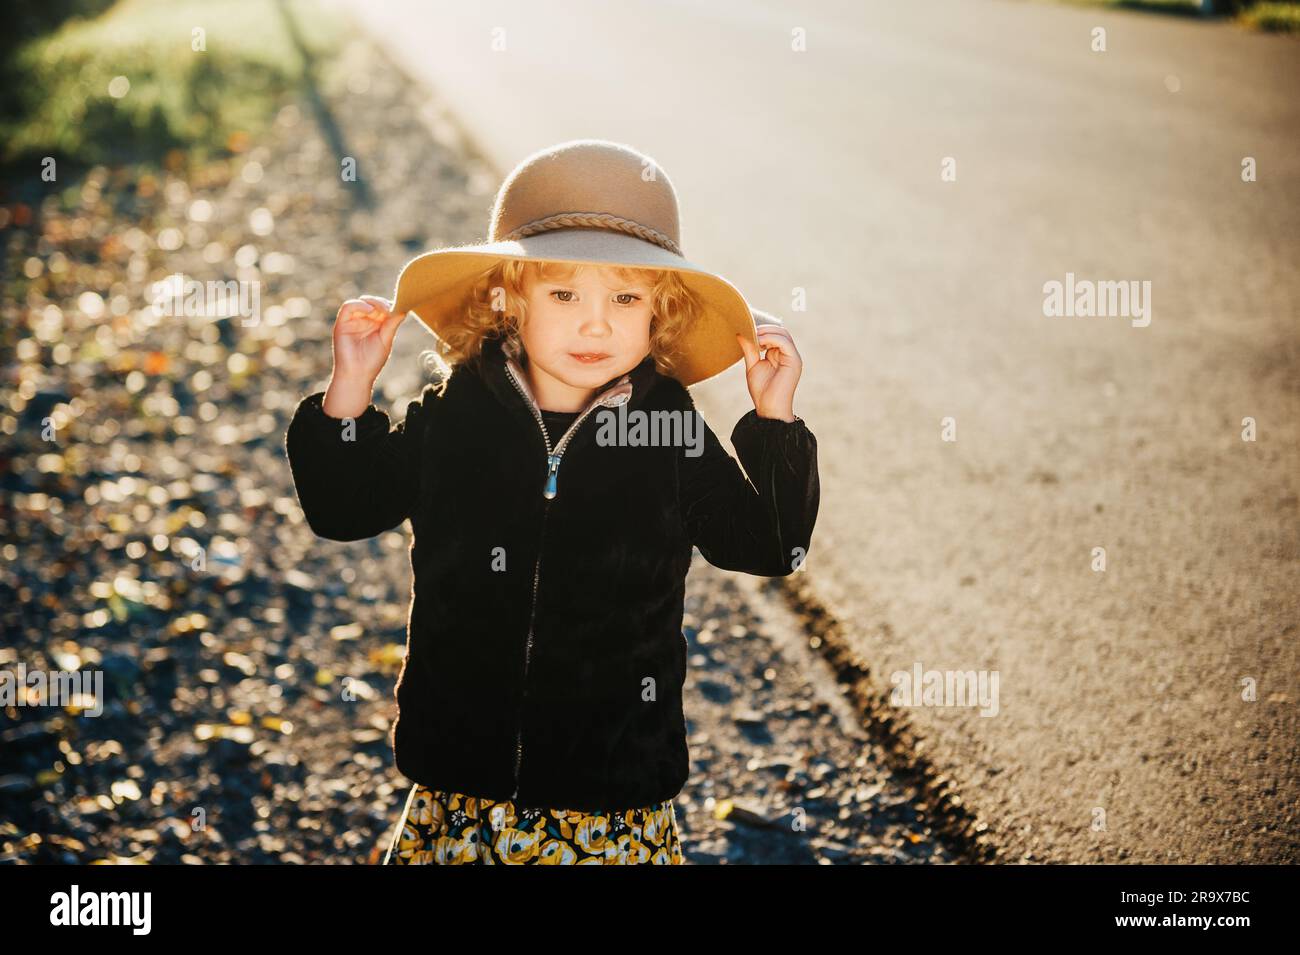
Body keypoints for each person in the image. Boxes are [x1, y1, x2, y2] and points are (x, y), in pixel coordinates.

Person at [284, 139, 820, 864]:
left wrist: (774, 421)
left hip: (609, 795)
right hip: (460, 783)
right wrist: (351, 383)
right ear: (508, 297)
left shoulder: (666, 428)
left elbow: (768, 543)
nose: (595, 324)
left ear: (657, 311)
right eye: (565, 294)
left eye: (624, 298)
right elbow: (343, 508)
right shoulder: (455, 414)